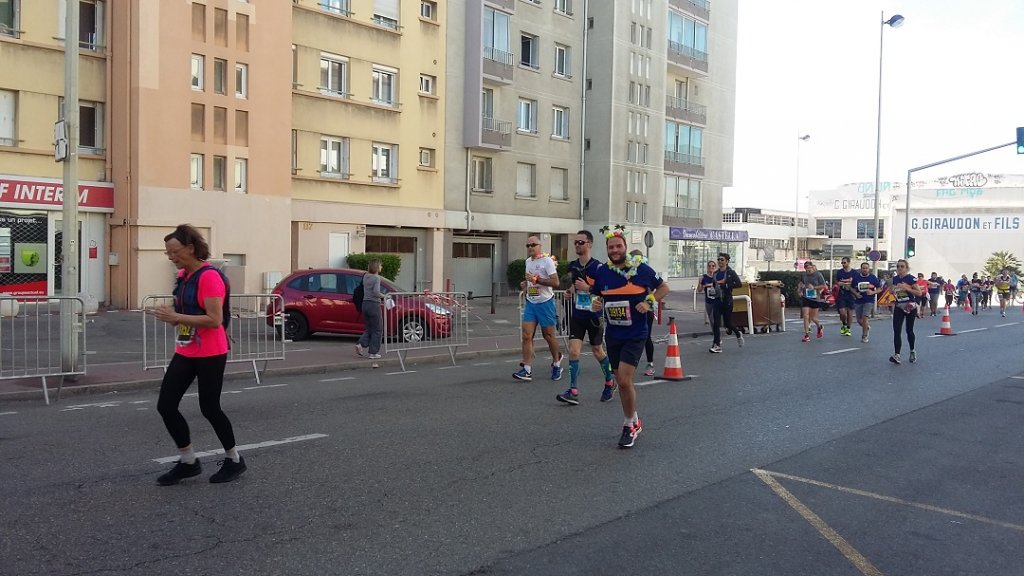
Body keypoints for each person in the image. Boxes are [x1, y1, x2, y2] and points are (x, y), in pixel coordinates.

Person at [152, 224, 246, 485]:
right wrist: (172, 318)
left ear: (191, 248)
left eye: (174, 251)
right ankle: (188, 462)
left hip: (211, 351)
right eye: (167, 252)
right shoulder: (183, 275)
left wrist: (176, 316)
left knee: (209, 407)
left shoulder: (209, 277)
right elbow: (189, 313)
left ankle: (234, 460)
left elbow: (214, 319)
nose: (171, 256)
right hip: (187, 348)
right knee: (166, 406)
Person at [590, 226, 668, 448]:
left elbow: (664, 287)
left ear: (625, 247)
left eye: (618, 246)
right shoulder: (603, 272)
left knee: (624, 380)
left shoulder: (641, 269)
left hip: (636, 333)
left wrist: (649, 301)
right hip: (613, 334)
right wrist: (596, 303)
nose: (615, 250)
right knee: (623, 383)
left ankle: (628, 426)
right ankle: (634, 418)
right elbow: (596, 295)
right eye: (610, 247)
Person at [557, 230, 616, 405]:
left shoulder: (598, 267)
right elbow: (575, 285)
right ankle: (573, 390)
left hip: (594, 316)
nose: (577, 245)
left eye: (581, 242)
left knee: (597, 350)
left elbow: (603, 291)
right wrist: (569, 292)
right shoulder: (573, 266)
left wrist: (588, 287)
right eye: (575, 242)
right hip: (578, 315)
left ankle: (609, 380)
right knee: (574, 351)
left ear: (589, 244)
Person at [513, 236, 563, 382]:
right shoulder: (528, 262)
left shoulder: (546, 261)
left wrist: (536, 280)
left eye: (533, 245)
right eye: (527, 245)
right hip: (531, 302)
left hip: (545, 302)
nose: (530, 247)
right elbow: (530, 281)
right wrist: (525, 284)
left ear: (540, 246)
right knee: (527, 335)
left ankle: (556, 362)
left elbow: (556, 282)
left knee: (548, 336)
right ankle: (527, 369)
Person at [889, 259, 925, 365]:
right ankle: (897, 355)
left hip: (910, 306)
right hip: (899, 306)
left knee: (909, 330)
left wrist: (907, 288)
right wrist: (893, 290)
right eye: (898, 266)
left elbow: (919, 293)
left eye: (902, 266)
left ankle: (912, 351)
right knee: (896, 330)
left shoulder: (911, 278)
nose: (900, 268)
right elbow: (892, 290)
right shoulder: (895, 279)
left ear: (906, 268)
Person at [706, 253, 744, 353]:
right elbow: (714, 284)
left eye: (722, 260)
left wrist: (726, 284)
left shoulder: (731, 273)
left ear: (727, 261)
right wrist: (713, 289)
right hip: (717, 300)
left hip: (727, 300)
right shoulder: (716, 273)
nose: (720, 262)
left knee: (727, 323)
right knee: (716, 323)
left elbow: (739, 284)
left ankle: (738, 333)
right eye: (718, 260)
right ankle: (717, 345)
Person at [355, 259, 386, 360]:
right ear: (377, 267)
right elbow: (376, 292)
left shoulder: (365, 276)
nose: (381, 267)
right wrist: (384, 296)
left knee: (369, 328)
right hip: (373, 304)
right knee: (377, 329)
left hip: (365, 304)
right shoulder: (376, 278)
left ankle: (360, 344)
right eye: (380, 266)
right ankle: (373, 353)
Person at [850, 262, 881, 343]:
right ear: (861, 269)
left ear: (869, 269)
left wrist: (872, 292)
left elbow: (879, 289)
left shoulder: (873, 278)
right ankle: (866, 327)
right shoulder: (856, 277)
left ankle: (864, 336)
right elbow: (851, 288)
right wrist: (856, 294)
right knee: (859, 321)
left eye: (866, 268)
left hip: (869, 300)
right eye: (863, 268)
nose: (865, 269)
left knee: (865, 318)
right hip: (858, 300)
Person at [798, 261, 827, 342]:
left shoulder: (818, 274)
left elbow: (823, 285)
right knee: (805, 316)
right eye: (806, 268)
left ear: (812, 267)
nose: (808, 270)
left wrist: (814, 287)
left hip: (815, 298)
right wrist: (799, 291)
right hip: (806, 297)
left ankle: (819, 326)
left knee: (813, 317)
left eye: (809, 268)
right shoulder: (804, 275)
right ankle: (806, 335)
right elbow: (801, 283)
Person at [834, 257, 856, 336]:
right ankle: (844, 324)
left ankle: (848, 328)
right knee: (842, 313)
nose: (843, 264)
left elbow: (856, 283)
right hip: (842, 294)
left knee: (850, 312)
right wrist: (838, 284)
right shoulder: (840, 272)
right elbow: (836, 282)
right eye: (842, 263)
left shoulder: (854, 272)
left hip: (851, 294)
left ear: (849, 262)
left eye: (844, 263)